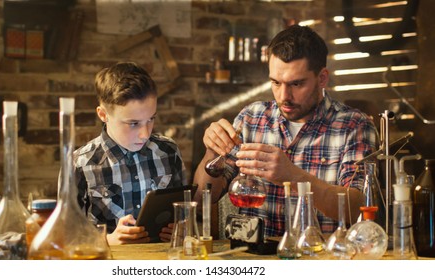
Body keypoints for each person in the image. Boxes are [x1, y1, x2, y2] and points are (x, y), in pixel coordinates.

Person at [193, 25, 378, 237]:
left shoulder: (354, 126)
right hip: (252, 259)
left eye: (296, 84)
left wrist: (292, 176)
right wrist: (211, 153)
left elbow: (359, 209)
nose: (284, 96)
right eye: (275, 82)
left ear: (322, 78)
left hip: (320, 260)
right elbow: (201, 199)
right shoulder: (252, 118)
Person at [74, 62, 187, 245]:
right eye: (133, 123)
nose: (145, 133)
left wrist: (182, 230)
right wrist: (108, 240)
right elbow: (67, 234)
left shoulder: (168, 152)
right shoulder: (80, 163)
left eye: (151, 119)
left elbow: (185, 214)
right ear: (103, 115)